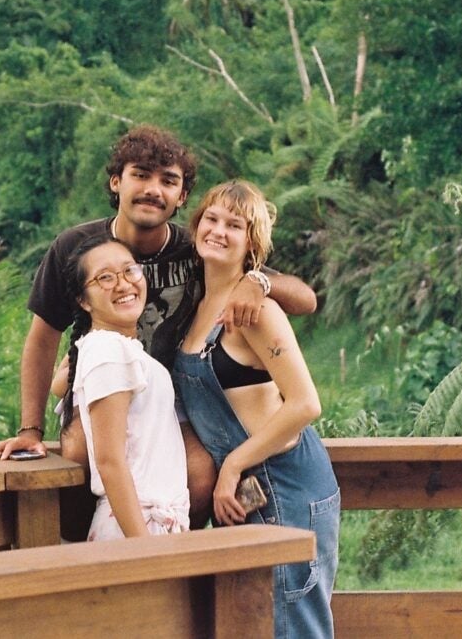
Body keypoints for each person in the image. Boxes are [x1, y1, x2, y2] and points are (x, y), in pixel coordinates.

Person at [0, 125, 317, 534]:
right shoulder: (77, 247)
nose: (153, 189)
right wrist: (30, 429)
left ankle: (174, 560)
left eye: (168, 181)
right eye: (141, 175)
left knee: (199, 476)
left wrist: (258, 281)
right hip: (105, 390)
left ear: (182, 197)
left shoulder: (196, 248)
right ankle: (82, 553)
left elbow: (304, 297)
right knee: (80, 454)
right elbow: (42, 338)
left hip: (168, 396)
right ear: (117, 181)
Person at [172, 180, 339, 639]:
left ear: (252, 243)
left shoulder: (258, 310)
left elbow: (305, 404)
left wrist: (233, 466)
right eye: (212, 219)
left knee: (293, 628)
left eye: (235, 225)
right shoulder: (196, 304)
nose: (219, 231)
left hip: (286, 487)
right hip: (242, 500)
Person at [60, 233, 189, 539]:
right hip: (135, 528)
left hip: (149, 524)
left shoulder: (112, 349)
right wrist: (143, 548)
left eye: (129, 270)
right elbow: (110, 461)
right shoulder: (108, 352)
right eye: (105, 278)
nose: (123, 284)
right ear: (83, 300)